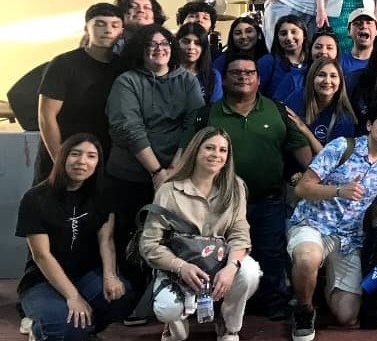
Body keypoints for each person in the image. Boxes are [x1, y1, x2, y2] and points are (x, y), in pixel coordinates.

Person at [202, 53, 313, 321]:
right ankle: (220, 302)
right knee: (220, 254)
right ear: (224, 80)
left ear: (259, 79)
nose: (243, 76)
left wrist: (311, 178)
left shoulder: (276, 110)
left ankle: (275, 302)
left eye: (249, 72)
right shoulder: (207, 114)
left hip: (268, 199)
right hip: (220, 202)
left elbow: (303, 153)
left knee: (272, 253)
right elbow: (190, 154)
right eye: (236, 72)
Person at [287, 100, 377, 341]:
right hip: (313, 224)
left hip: (349, 239)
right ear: (369, 125)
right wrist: (339, 191)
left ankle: (317, 286)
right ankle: (304, 310)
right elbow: (302, 188)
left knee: (348, 316)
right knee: (308, 258)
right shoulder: (342, 147)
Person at [105, 25, 205, 303]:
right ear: (140, 49)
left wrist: (173, 170)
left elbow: (194, 123)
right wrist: (157, 171)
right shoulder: (127, 82)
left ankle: (172, 299)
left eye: (164, 43)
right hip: (131, 175)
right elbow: (129, 128)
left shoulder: (187, 80)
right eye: (152, 44)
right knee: (132, 238)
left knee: (174, 238)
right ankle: (133, 301)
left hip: (177, 172)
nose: (159, 48)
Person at [142, 128, 260, 341]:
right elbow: (149, 244)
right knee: (167, 310)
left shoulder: (235, 187)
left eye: (223, 150)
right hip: (180, 266)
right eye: (209, 148)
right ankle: (175, 326)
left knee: (249, 272)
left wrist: (231, 268)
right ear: (196, 150)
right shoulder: (169, 190)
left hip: (218, 261)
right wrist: (181, 267)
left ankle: (229, 327)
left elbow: (240, 234)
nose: (216, 154)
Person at [17, 134, 133, 341]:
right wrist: (73, 296)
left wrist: (110, 276)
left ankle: (79, 329)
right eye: (75, 154)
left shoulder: (103, 195)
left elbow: (106, 241)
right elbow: (41, 255)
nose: (82, 161)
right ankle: (43, 325)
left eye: (91, 156)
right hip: (43, 280)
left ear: (98, 163)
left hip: (85, 276)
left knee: (121, 295)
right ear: (62, 157)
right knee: (61, 324)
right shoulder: (35, 198)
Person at [37, 3, 125, 184]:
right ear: (86, 27)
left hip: (103, 157)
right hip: (61, 152)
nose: (108, 30)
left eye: (114, 25)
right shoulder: (64, 63)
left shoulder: (123, 67)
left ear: (121, 31)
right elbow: (46, 117)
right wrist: (60, 161)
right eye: (100, 24)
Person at [292, 58, 358, 155]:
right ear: (312, 78)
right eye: (321, 75)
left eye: (333, 76)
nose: (327, 81)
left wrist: (304, 129)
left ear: (340, 81)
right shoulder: (298, 97)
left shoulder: (345, 118)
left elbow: (330, 158)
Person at [257, 16, 311, 111]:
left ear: (304, 35)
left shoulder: (313, 62)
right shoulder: (267, 62)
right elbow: (255, 95)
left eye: (294, 32)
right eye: (283, 34)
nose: (289, 38)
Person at [175, 23, 223, 104]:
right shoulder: (166, 73)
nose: (191, 47)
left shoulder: (213, 76)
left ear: (204, 48)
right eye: (186, 42)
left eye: (197, 43)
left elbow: (214, 108)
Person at [339, 10, 377, 74]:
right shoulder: (338, 62)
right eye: (357, 23)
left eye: (369, 23)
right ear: (349, 31)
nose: (364, 26)